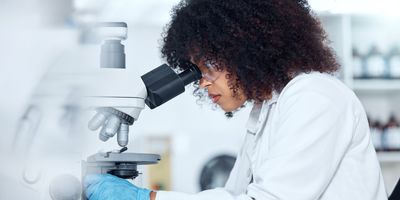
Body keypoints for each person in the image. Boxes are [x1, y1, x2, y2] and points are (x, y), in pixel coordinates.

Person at [84, 0, 388, 199]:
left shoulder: (315, 97)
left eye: (209, 67)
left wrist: (145, 198)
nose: (201, 83)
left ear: (249, 51)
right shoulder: (266, 108)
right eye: (196, 71)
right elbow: (234, 194)